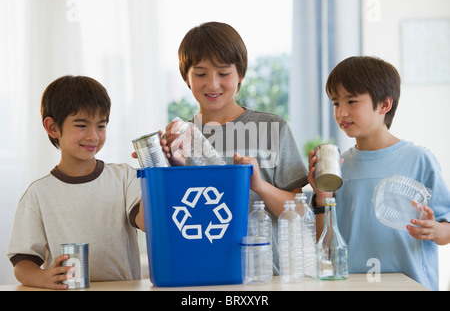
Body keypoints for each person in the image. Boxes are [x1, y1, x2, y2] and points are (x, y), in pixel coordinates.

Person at [161, 22, 309, 274]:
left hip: (265, 277)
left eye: (223, 72)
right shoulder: (179, 140)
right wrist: (164, 163)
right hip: (200, 273)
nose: (213, 84)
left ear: (240, 73)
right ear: (186, 77)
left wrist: (260, 186)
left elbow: (300, 214)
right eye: (200, 74)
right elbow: (169, 216)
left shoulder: (272, 128)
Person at [308, 56, 450, 290]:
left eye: (351, 101)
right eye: (335, 103)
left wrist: (435, 230)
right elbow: (326, 244)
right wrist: (322, 197)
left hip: (412, 285)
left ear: (385, 104)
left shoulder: (419, 159)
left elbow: (447, 229)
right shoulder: (339, 166)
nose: (341, 112)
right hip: (351, 285)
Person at [7, 76, 146, 290]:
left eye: (101, 125)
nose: (93, 136)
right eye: (81, 125)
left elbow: (147, 223)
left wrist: (155, 172)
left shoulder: (124, 177)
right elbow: (22, 264)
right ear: (53, 127)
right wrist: (44, 278)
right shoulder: (38, 194)